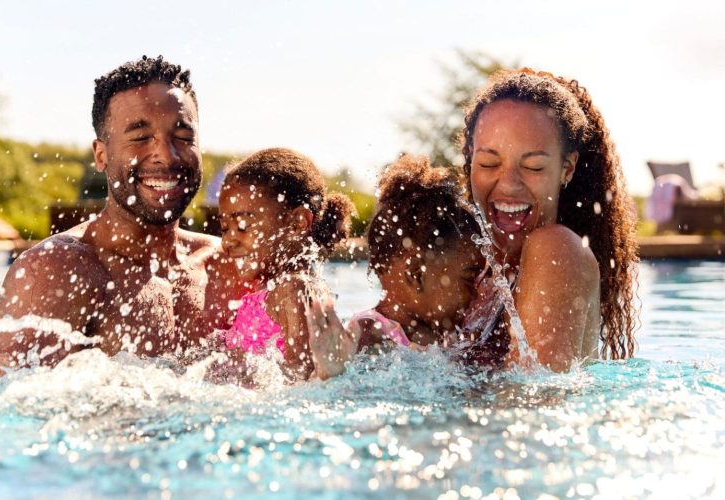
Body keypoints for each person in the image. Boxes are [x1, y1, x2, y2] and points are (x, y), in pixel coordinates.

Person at [0, 56, 240, 375]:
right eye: (140, 137)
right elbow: (14, 411)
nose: (166, 154)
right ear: (101, 154)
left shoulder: (228, 265)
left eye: (183, 137)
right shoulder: (56, 271)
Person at [459, 68, 639, 371]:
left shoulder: (556, 249)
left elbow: (534, 402)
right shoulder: (474, 265)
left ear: (567, 168)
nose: (508, 184)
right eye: (489, 163)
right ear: (470, 158)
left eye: (533, 167)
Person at [307, 155, 488, 379]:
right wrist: (332, 374)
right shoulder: (368, 335)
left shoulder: (447, 337)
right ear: (416, 274)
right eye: (469, 279)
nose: (476, 292)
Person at [212, 147, 355, 382]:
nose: (228, 241)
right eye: (225, 228)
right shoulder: (277, 289)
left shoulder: (292, 289)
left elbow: (301, 378)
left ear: (298, 222)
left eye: (243, 226)